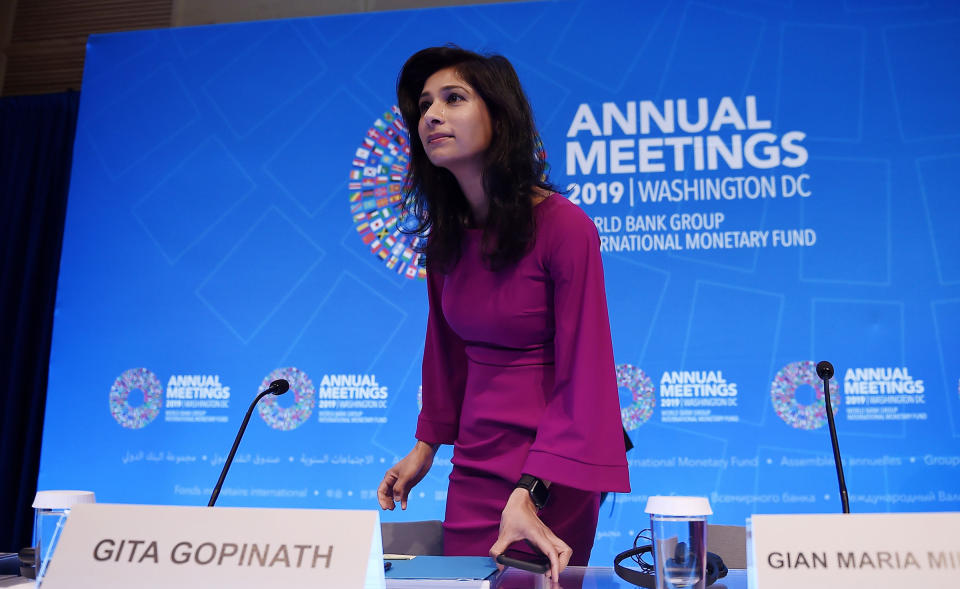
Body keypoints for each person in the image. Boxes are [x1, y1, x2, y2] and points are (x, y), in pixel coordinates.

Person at [377, 46, 629, 582]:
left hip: (552, 471)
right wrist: (425, 449)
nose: (432, 116)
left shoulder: (565, 228)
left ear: (500, 115)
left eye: (453, 98)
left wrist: (532, 490)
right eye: (424, 105)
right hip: (473, 465)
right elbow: (445, 358)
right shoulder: (446, 240)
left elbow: (586, 376)